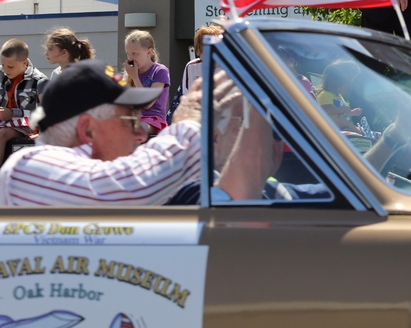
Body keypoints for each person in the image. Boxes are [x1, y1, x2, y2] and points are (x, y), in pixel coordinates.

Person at [0, 60, 272, 206]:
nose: (141, 135)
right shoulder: (25, 170)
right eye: (131, 121)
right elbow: (126, 187)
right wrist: (190, 122)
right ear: (88, 131)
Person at [0, 39, 48, 165]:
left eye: (10, 66)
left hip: (26, 127)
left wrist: (12, 113)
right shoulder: (1, 75)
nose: (5, 70)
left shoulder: (39, 81)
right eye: (2, 65)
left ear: (24, 63)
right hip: (3, 122)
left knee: (1, 134)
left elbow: (43, 114)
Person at [167, 24, 224, 124]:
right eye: (204, 45)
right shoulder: (191, 66)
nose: (207, 49)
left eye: (212, 45)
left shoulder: (228, 67)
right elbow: (187, 95)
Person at [123, 29, 170, 136]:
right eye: (128, 54)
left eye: (135, 54)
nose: (130, 58)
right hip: (133, 117)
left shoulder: (160, 71)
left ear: (149, 52)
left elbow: (147, 103)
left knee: (137, 129)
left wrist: (135, 77)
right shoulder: (130, 74)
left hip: (153, 119)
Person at [317, 59, 363, 132]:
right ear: (336, 82)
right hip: (327, 126)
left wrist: (351, 112)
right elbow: (324, 111)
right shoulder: (325, 94)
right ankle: (361, 133)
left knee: (344, 121)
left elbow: (342, 113)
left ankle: (360, 131)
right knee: (342, 121)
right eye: (346, 85)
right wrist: (341, 109)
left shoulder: (338, 96)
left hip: (338, 127)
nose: (348, 87)